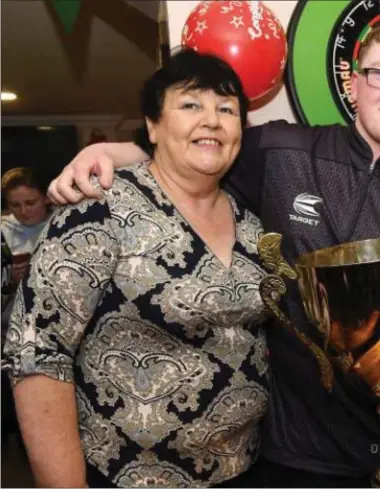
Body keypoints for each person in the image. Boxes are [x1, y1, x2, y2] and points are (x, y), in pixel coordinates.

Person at [48, 25, 380, 488]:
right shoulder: (283, 152)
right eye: (378, 72)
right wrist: (108, 150)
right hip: (299, 455)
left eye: (225, 108)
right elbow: (192, 156)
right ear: (354, 81)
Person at [3, 49, 272, 488]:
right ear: (152, 126)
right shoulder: (98, 209)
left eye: (227, 109)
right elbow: (38, 352)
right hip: (126, 476)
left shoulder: (252, 221)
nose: (211, 119)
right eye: (190, 105)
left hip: (245, 470)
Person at [1, 167, 51, 283]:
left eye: (31, 203)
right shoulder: (3, 231)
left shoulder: (63, 226)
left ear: (47, 198)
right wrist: (8, 279)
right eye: (15, 205)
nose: (23, 211)